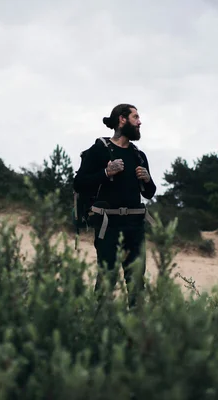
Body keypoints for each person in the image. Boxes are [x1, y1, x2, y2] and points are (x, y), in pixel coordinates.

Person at [73, 103, 157, 308]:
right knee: (107, 280)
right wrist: (106, 173)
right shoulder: (99, 151)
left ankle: (136, 330)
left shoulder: (139, 155)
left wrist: (147, 179)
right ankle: (101, 326)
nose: (139, 122)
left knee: (137, 282)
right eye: (135, 117)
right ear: (122, 119)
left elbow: (149, 192)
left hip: (135, 226)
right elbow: (79, 183)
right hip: (108, 226)